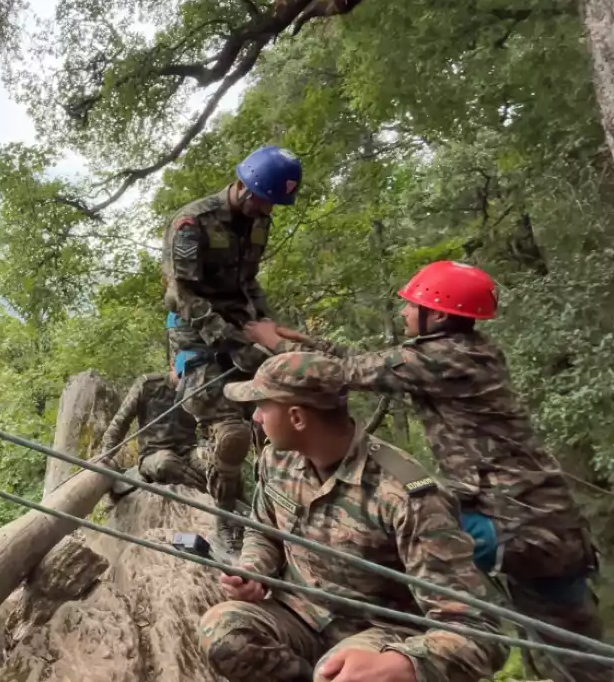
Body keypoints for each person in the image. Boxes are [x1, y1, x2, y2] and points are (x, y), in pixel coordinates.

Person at [244, 261, 604, 682]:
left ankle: (394, 654)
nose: (403, 312)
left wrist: (276, 348)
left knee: (404, 561)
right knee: (560, 652)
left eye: (413, 305)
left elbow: (348, 374)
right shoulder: (459, 352)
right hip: (527, 517)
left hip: (520, 523)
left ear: (440, 315)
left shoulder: (449, 357)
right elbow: (368, 362)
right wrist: (305, 339)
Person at [197, 351, 506, 682]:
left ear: (297, 418)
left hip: (379, 629)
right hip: (299, 612)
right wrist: (253, 570)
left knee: (336, 674)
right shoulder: (276, 460)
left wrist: (402, 664)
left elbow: (479, 630)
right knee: (223, 631)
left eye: (262, 406)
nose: (256, 417)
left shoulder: (405, 494)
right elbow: (263, 532)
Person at [161, 145, 302, 550]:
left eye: (276, 204)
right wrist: (230, 341)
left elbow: (249, 282)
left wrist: (265, 325)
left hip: (242, 325)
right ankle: (227, 522)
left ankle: (274, 510)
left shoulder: (259, 220)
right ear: (243, 186)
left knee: (277, 419)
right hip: (196, 329)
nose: (268, 212)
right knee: (232, 433)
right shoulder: (192, 223)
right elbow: (180, 296)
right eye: (264, 201)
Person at [99, 343, 208, 494]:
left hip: (187, 453)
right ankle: (201, 488)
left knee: (215, 465)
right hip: (153, 456)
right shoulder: (148, 385)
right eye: (182, 374)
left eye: (191, 374)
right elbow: (121, 421)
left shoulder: (199, 391)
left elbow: (209, 426)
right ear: (172, 365)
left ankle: (242, 508)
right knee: (166, 462)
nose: (186, 379)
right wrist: (106, 452)